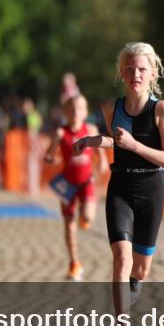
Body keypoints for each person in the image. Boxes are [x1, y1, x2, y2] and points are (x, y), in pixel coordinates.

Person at [73, 42, 164, 326]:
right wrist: (93, 140)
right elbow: (116, 138)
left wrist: (135, 145)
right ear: (121, 73)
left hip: (151, 190)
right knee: (122, 258)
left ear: (153, 73)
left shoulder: (161, 110)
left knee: (140, 268)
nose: (136, 75)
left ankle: (132, 286)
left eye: (142, 69)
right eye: (129, 69)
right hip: (120, 188)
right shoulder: (112, 107)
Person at [45, 95, 109, 281]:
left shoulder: (90, 129)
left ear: (85, 112)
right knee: (69, 225)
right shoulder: (60, 133)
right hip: (67, 184)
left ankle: (84, 216)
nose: (75, 112)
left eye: (80, 108)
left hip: (86, 181)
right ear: (66, 112)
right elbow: (49, 157)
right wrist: (53, 160)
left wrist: (102, 161)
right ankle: (74, 263)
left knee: (88, 217)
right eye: (72, 108)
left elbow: (100, 151)